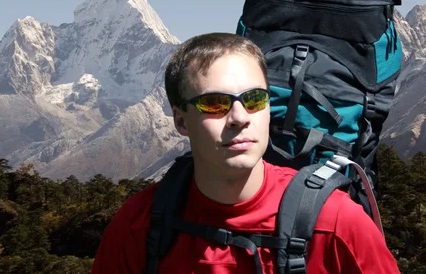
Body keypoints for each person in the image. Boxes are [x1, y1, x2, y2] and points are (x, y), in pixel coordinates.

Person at [90, 32, 400, 274]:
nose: (240, 117)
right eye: (214, 103)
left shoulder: (336, 225)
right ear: (181, 120)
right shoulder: (138, 226)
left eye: (254, 99)